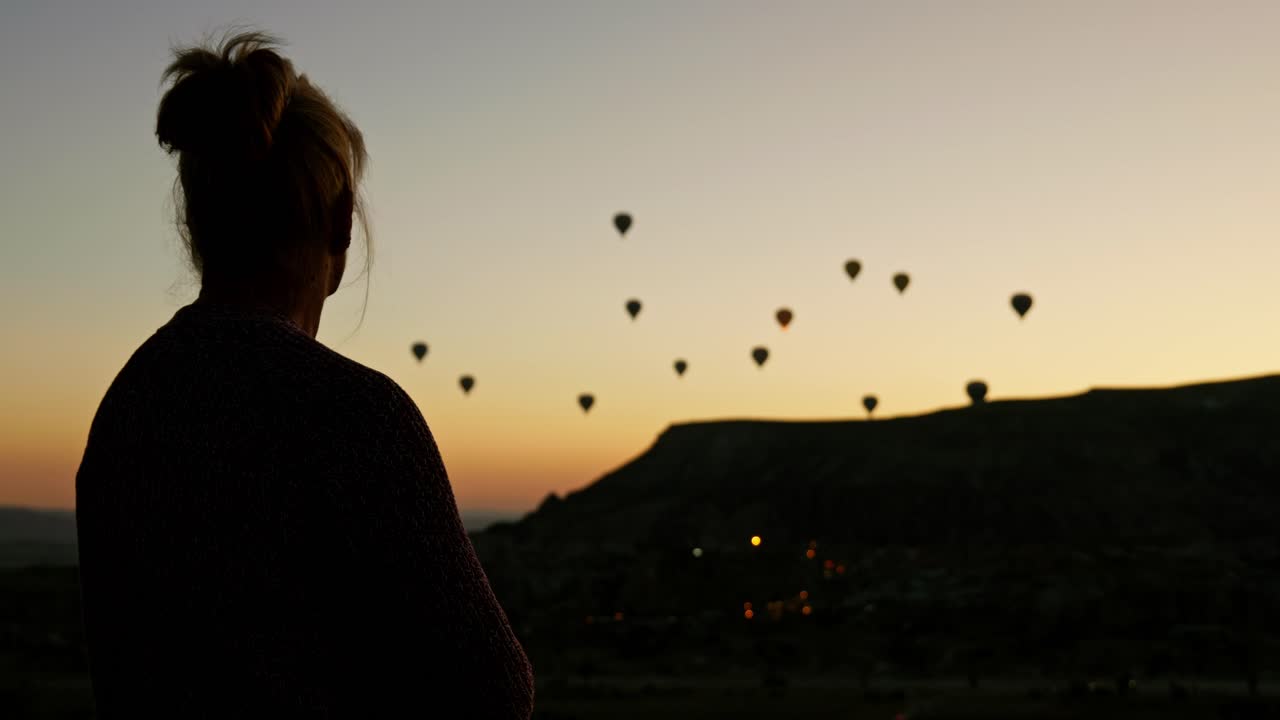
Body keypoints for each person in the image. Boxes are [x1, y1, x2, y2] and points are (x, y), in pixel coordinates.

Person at [75, 31, 534, 718]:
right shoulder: (356, 417)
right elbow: (496, 692)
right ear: (341, 224)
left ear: (196, 224)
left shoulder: (126, 409)